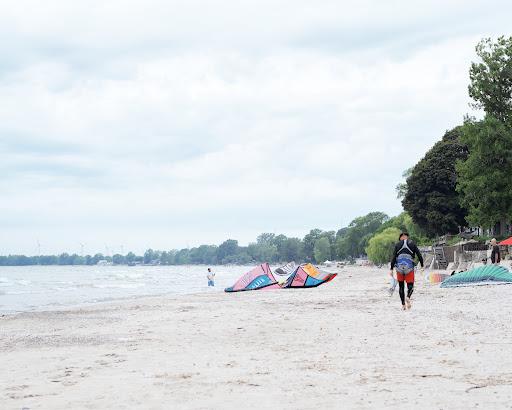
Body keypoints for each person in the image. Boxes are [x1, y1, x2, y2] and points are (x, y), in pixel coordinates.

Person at [389, 232, 424, 310]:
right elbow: (419, 255)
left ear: (401, 237)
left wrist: (391, 269)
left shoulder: (398, 244)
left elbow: (394, 257)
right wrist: (422, 266)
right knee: (410, 285)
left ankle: (403, 305)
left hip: (399, 268)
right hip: (409, 267)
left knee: (401, 286)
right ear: (407, 237)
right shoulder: (412, 244)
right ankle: (408, 297)